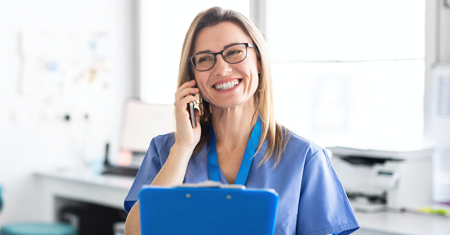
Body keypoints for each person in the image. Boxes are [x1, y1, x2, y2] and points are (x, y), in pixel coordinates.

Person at [124, 7, 359, 235]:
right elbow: (136, 232)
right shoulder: (166, 150)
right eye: (205, 59)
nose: (223, 69)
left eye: (234, 52)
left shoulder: (305, 158)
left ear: (258, 61)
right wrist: (184, 147)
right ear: (193, 76)